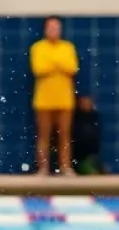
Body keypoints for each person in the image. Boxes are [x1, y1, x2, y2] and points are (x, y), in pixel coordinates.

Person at [30, 17, 79, 177]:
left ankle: (65, 167)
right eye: (51, 28)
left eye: (56, 28)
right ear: (45, 30)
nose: (54, 31)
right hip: (44, 100)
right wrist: (58, 64)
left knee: (64, 135)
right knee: (44, 135)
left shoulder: (68, 47)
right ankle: (43, 168)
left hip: (64, 100)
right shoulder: (38, 47)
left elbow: (72, 68)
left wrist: (53, 64)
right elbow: (39, 69)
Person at [72, 95, 106, 175]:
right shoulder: (76, 120)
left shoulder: (93, 117)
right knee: (92, 172)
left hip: (90, 156)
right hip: (78, 157)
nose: (87, 105)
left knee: (103, 171)